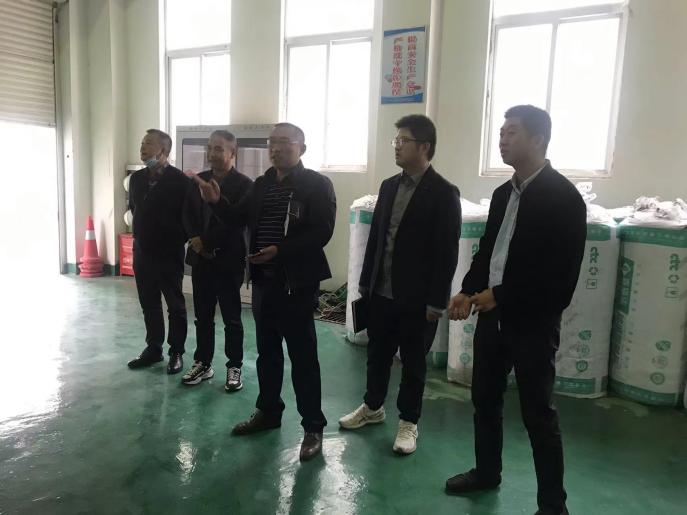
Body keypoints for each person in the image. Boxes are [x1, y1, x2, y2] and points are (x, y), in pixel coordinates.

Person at [444, 105, 586, 515]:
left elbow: (560, 279)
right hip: (493, 318)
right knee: (485, 400)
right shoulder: (504, 194)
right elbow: (489, 250)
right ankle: (487, 473)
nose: (502, 140)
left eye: (512, 133)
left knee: (538, 414)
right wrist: (467, 290)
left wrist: (501, 295)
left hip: (532, 324)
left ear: (538, 139)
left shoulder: (564, 198)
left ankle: (553, 505)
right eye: (501, 133)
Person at [194, 122, 336, 461]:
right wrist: (217, 202)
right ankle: (269, 412)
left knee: (303, 357)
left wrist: (280, 251)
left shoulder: (317, 185)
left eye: (284, 142)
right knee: (267, 352)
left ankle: (313, 427)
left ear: (302, 147)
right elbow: (237, 218)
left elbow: (321, 232)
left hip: (296, 284)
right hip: (264, 282)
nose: (276, 148)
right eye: (272, 142)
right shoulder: (262, 184)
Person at [339, 114, 461, 454]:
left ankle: (409, 422)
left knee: (413, 362)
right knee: (377, 354)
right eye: (395, 140)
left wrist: (436, 302)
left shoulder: (444, 193)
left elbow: (446, 253)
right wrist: (365, 283)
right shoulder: (389, 186)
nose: (396, 146)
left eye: (403, 141)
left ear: (424, 147)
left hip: (417, 298)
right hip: (381, 292)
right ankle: (373, 407)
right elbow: (376, 240)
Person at [181, 130, 252, 390]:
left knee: (232, 318)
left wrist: (208, 242)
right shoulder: (198, 181)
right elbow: (187, 213)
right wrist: (195, 239)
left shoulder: (245, 185)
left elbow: (237, 222)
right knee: (203, 316)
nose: (212, 153)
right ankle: (203, 362)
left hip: (228, 259)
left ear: (233, 153)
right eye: (210, 148)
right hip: (201, 259)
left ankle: (234, 366)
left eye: (219, 149)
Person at [127, 129, 190, 374]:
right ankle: (154, 348)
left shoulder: (180, 181)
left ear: (163, 150)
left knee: (175, 305)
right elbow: (135, 210)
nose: (143, 148)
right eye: (142, 143)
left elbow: (187, 217)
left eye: (149, 144)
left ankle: (176, 351)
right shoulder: (136, 179)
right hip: (142, 251)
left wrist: (174, 239)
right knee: (149, 302)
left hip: (169, 253)